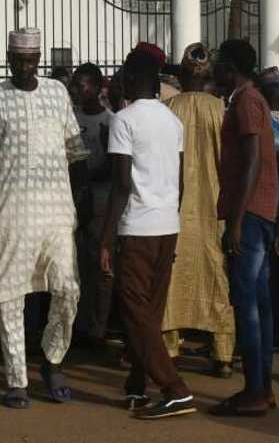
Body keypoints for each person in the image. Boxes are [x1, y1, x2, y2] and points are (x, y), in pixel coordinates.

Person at [0, 28, 89, 410]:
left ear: (39, 60)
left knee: (67, 288)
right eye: (18, 61)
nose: (24, 67)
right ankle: (16, 379)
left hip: (56, 213)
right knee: (10, 297)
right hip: (9, 213)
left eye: (31, 61)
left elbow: (76, 150)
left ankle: (52, 361)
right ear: (9, 58)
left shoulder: (57, 92)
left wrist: (81, 203)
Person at [100, 50, 195, 419]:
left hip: (137, 227)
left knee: (135, 311)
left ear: (129, 82)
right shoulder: (172, 122)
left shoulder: (124, 121)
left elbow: (121, 185)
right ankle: (137, 385)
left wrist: (106, 238)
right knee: (149, 314)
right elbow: (181, 179)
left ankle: (176, 389)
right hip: (166, 225)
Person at [210, 39, 279, 417]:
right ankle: (261, 387)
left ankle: (255, 389)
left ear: (231, 66)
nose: (215, 69)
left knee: (247, 303)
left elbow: (253, 159)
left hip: (250, 214)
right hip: (259, 212)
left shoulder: (247, 101)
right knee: (261, 304)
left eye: (219, 62)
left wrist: (235, 222)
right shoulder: (248, 100)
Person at [162, 43, 235, 378]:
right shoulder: (220, 109)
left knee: (171, 279)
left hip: (173, 209)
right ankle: (222, 354)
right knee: (217, 279)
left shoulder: (168, 109)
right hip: (212, 209)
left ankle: (170, 349)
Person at [71, 62, 115, 341]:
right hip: (73, 198)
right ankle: (79, 323)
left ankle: (99, 326)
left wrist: (85, 176)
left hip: (100, 202)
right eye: (75, 85)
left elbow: (113, 165)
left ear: (98, 88)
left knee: (100, 266)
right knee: (76, 265)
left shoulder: (109, 122)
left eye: (83, 85)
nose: (78, 90)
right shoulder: (71, 117)